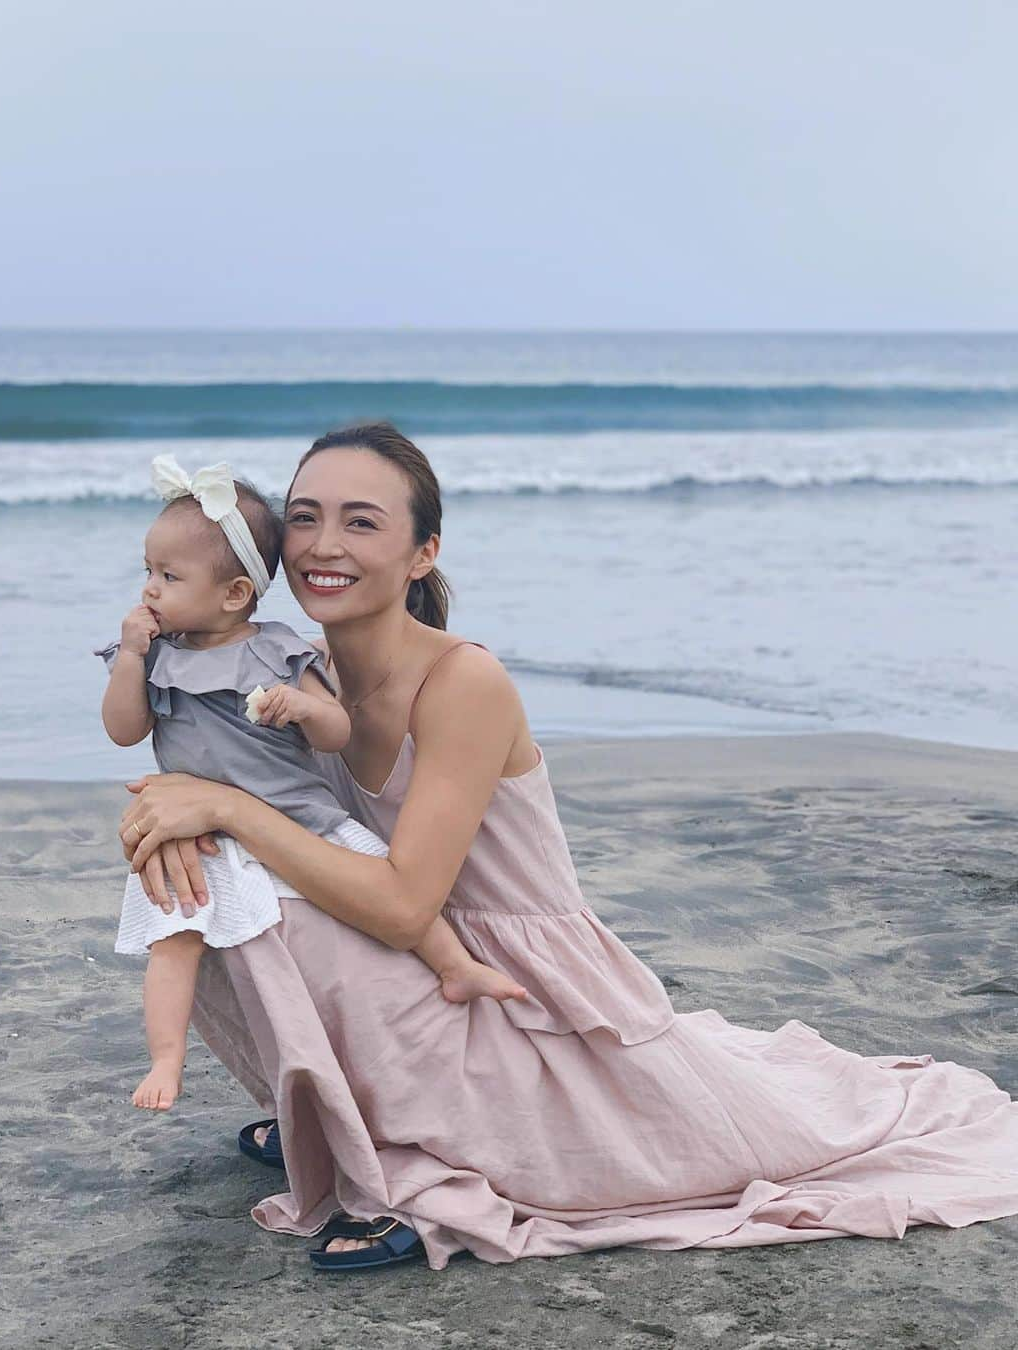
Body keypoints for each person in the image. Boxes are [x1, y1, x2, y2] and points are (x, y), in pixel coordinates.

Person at [118, 422, 1018, 1273]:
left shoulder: (462, 681)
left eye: (362, 521)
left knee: (264, 887)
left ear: (422, 552)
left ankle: (407, 1150)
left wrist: (224, 811)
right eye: (306, 517)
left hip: (514, 986)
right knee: (199, 887)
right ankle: (347, 1107)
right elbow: (226, 782)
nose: (322, 544)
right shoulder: (291, 672)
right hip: (400, 964)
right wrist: (169, 815)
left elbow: (401, 905)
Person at [99, 453, 527, 1112]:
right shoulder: (163, 654)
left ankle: (453, 968)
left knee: (365, 868)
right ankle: (170, 1058)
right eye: (305, 519)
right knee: (176, 938)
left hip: (318, 836)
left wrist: (292, 716)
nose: (151, 590)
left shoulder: (286, 655)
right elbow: (125, 729)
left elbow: (333, 734)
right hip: (238, 842)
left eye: (361, 522)